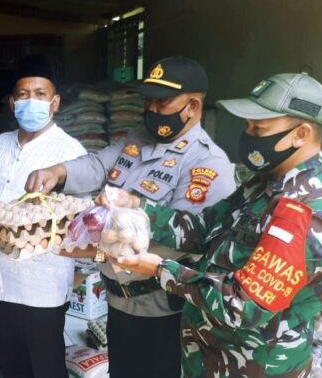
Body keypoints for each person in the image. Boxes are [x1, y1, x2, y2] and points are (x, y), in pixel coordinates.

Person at [109, 73, 322, 377]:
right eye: (248, 125)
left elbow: (243, 304)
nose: (248, 135)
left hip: (253, 367)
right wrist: (138, 209)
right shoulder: (264, 185)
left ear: (301, 134)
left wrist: (160, 270)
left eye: (258, 128)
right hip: (210, 358)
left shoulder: (306, 212)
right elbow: (205, 227)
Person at [26, 56, 236, 378]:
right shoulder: (137, 139)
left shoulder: (206, 163)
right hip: (119, 303)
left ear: (193, 106)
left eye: (163, 101)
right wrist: (57, 172)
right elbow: (98, 164)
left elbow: (184, 240)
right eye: (149, 99)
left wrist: (88, 246)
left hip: (163, 312)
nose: (151, 108)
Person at [0, 55, 87, 378]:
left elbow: (82, 221)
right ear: (12, 103)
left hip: (42, 287)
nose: (31, 101)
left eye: (40, 94)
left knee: (46, 370)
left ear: (55, 103)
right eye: (23, 95)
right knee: (9, 367)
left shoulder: (70, 152)